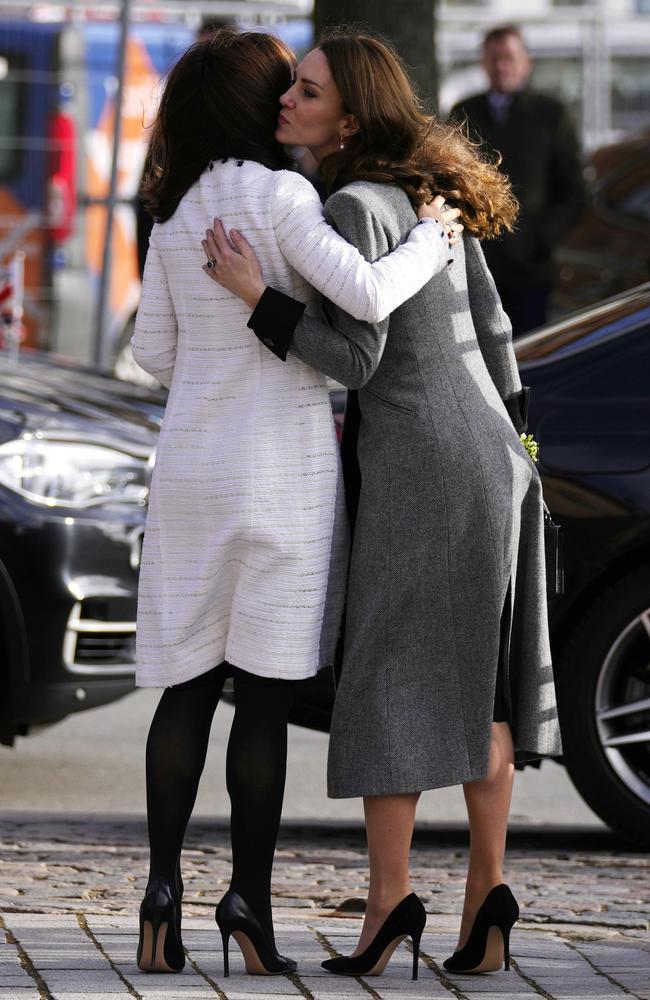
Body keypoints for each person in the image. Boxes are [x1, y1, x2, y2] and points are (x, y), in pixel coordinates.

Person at [201, 29, 562, 980]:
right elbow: (497, 332)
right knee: (483, 681)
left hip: (424, 465)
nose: (287, 100)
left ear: (349, 118)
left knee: (388, 681)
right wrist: (519, 451)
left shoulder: (356, 207)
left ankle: (390, 901)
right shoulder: (424, 198)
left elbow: (356, 359)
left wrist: (255, 299)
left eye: (307, 92)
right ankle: (486, 897)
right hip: (492, 452)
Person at [130, 27, 461, 979]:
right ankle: (249, 907)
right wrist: (434, 240)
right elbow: (362, 291)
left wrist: (212, 359)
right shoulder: (283, 196)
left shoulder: (177, 208)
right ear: (254, 104)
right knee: (263, 700)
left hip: (191, 467)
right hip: (281, 474)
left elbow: (155, 354)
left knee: (186, 685)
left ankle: (159, 895)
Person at [450, 24, 585, 335]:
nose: (501, 66)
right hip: (477, 262)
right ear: (483, 63)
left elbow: (574, 193)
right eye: (493, 58)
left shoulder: (552, 115)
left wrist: (539, 239)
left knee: (528, 354)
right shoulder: (464, 112)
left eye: (509, 57)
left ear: (527, 62)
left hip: (530, 269)